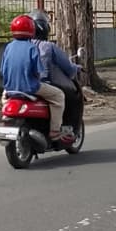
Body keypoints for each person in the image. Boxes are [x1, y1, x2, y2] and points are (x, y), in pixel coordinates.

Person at [0, 14, 71, 143]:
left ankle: (6, 118)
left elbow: (3, 70)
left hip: (9, 88)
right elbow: (38, 72)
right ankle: (55, 131)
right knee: (59, 96)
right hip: (30, 87)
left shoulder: (8, 47)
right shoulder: (32, 48)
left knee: (4, 100)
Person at [28, 10, 81, 138]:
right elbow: (67, 67)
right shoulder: (48, 47)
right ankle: (55, 130)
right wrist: (76, 68)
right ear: (45, 28)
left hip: (16, 85)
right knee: (60, 96)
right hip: (40, 84)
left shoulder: (19, 46)